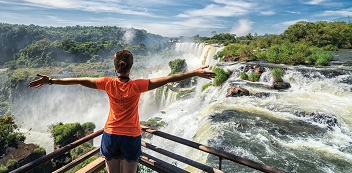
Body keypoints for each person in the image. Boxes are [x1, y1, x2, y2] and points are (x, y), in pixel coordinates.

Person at [28, 49, 215, 173]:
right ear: (130, 66)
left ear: (115, 67)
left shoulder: (107, 83)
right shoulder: (139, 85)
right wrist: (194, 72)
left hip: (109, 135)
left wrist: (50, 81)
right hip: (131, 137)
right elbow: (169, 78)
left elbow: (78, 80)